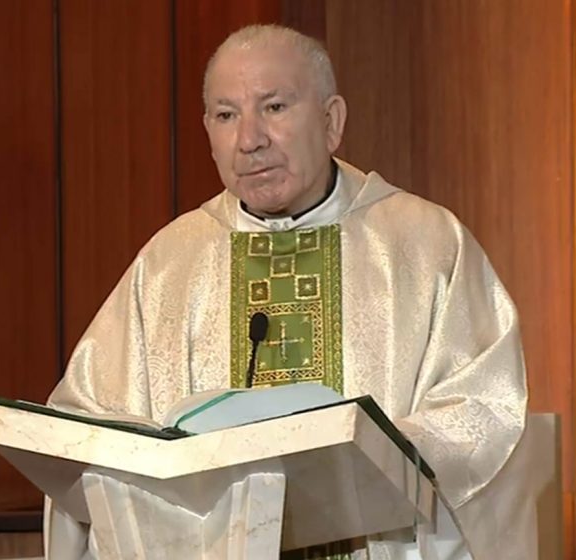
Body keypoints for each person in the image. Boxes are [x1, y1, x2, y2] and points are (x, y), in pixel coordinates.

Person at [45, 24, 531, 559]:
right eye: (226, 115)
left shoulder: (426, 244)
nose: (249, 139)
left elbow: (480, 410)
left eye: (274, 107)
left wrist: (356, 469)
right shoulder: (169, 264)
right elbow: (88, 426)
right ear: (207, 131)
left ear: (331, 121)